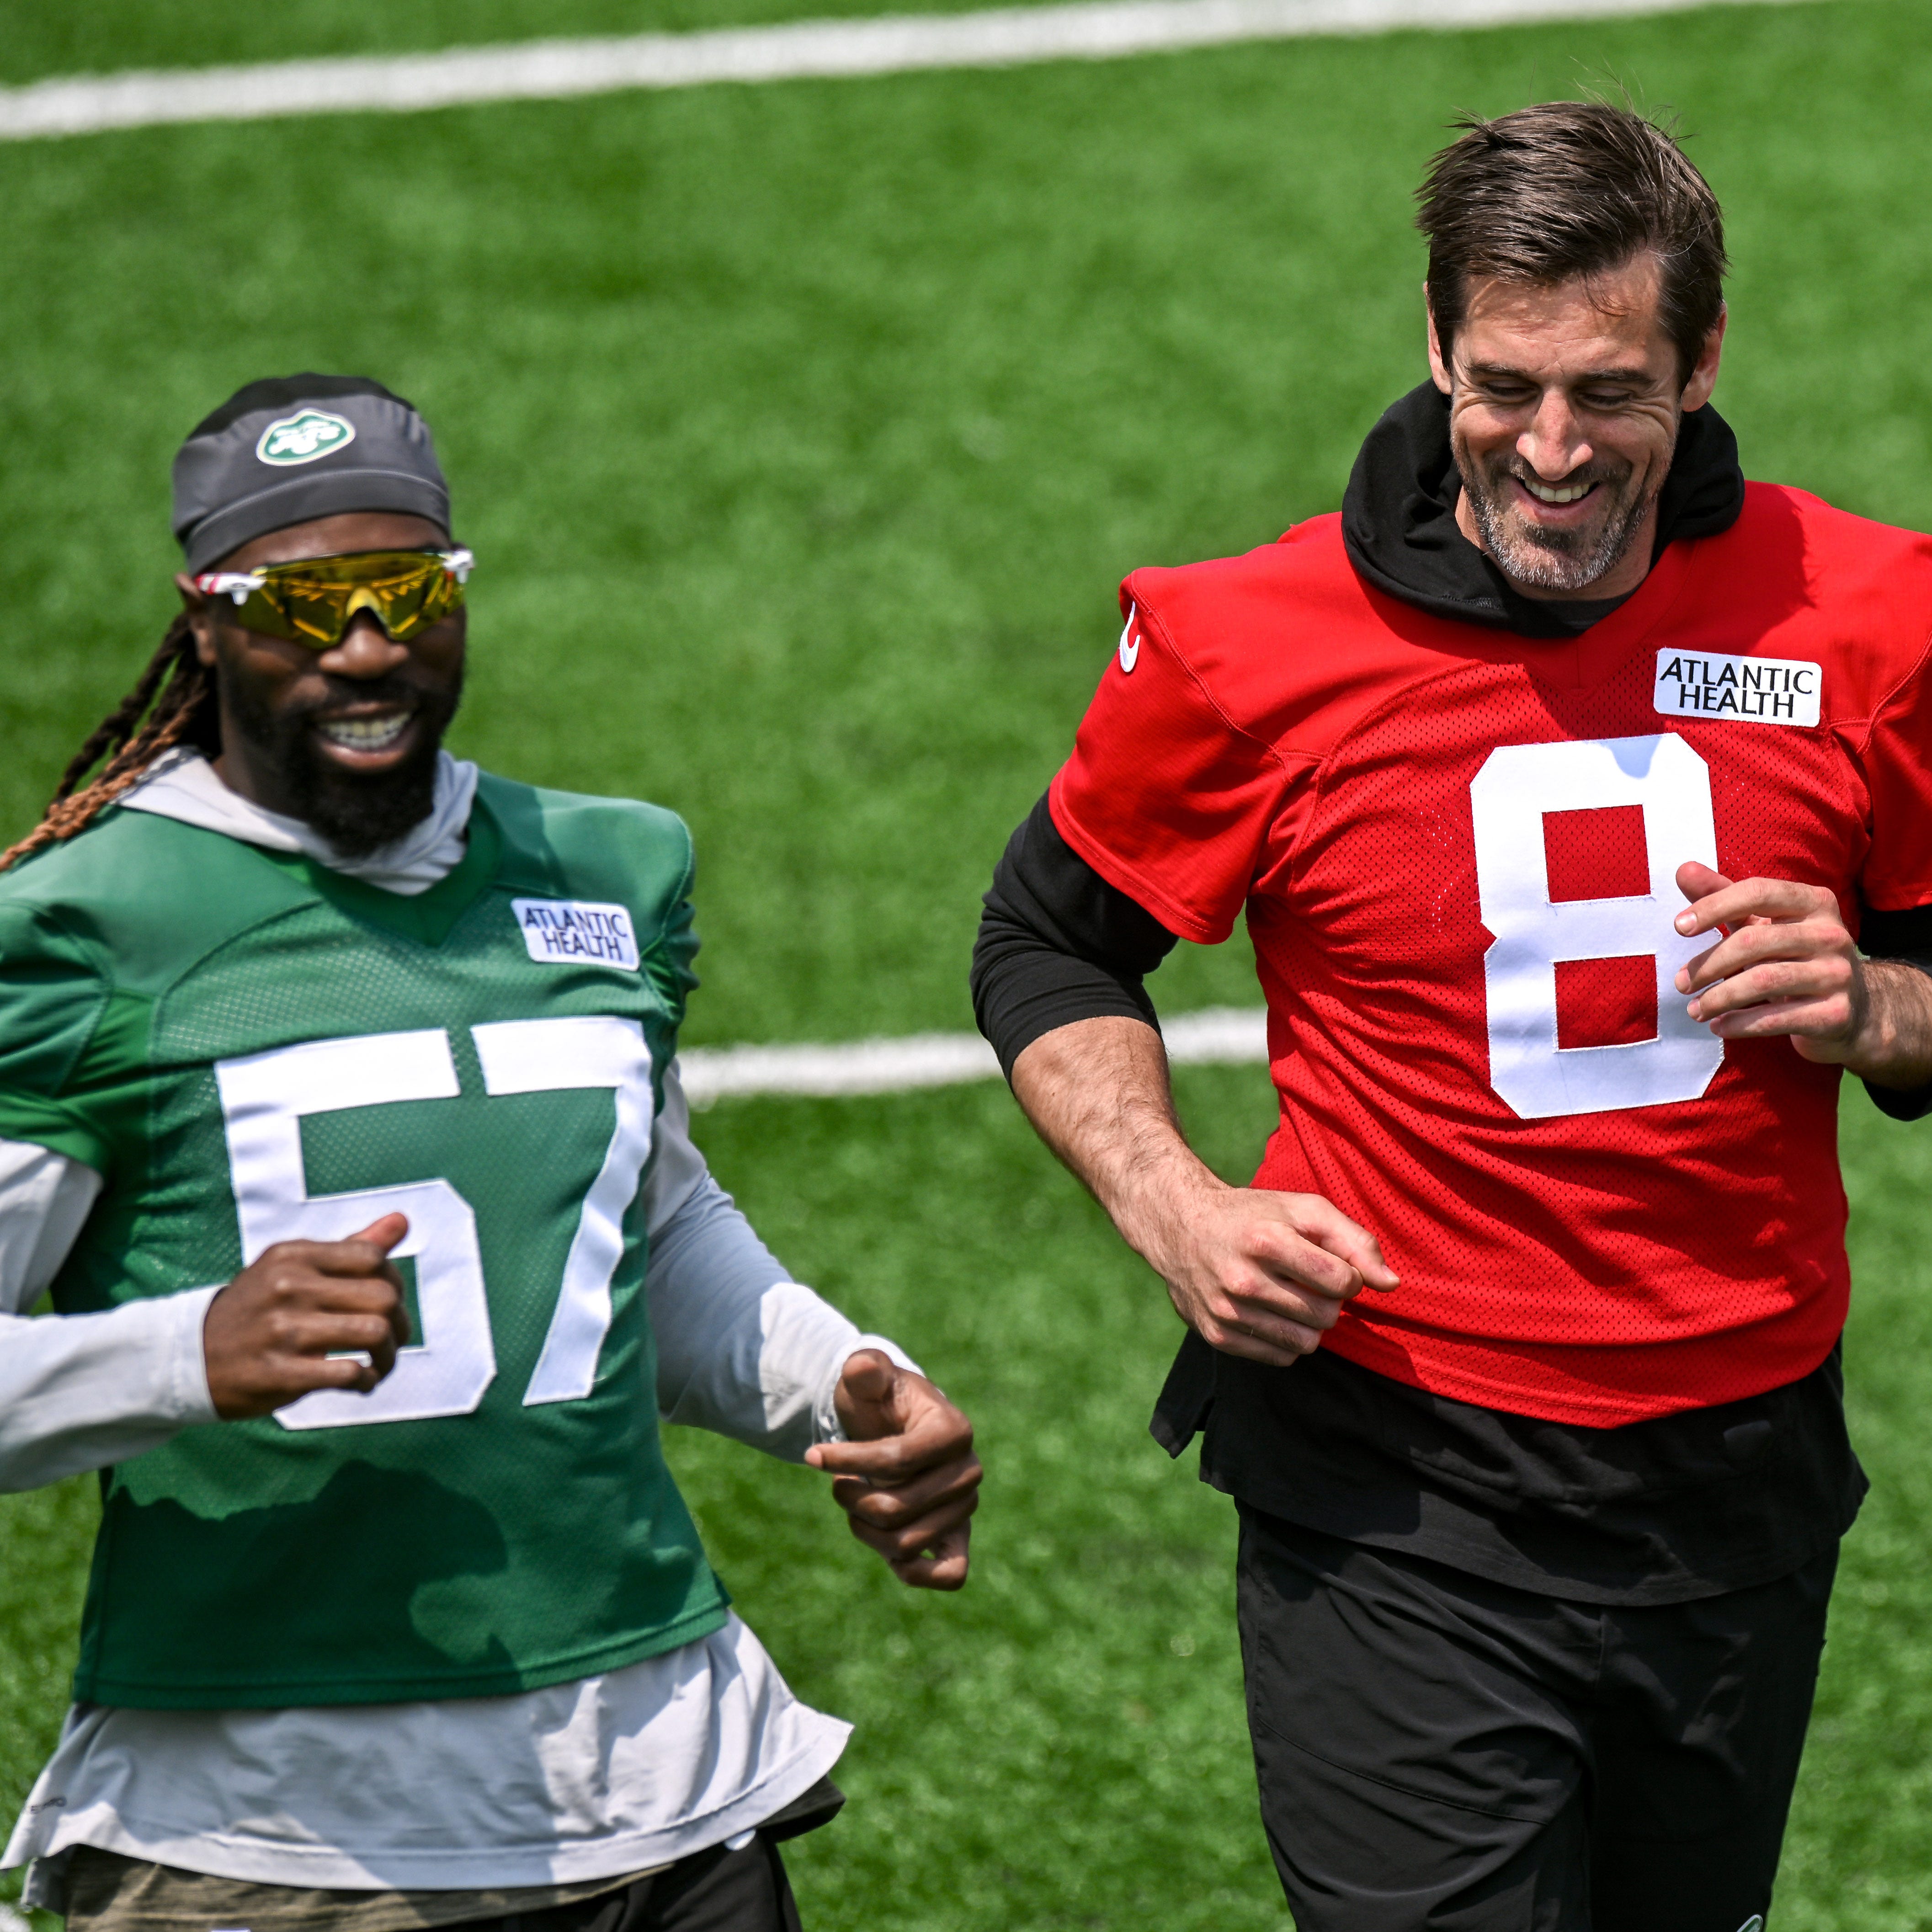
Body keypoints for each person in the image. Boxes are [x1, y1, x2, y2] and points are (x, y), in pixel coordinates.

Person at [972, 102, 1932, 1931]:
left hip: (1740, 1476)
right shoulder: (1241, 641)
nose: (1551, 452)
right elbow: (1041, 942)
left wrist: (1879, 999)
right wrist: (1172, 1202)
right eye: (1503, 385)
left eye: (1610, 390)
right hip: (1400, 1488)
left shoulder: (1870, 616)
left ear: (1704, 362)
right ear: (1432, 345)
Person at [0, 374, 981, 1932]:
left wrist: (839, 1375)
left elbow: (648, 1233)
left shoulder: (608, 867)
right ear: (204, 617)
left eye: (408, 592)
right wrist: (189, 1351)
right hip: (283, 1835)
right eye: (304, 603)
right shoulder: (80, 932)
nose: (366, 646)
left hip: (664, 1782)